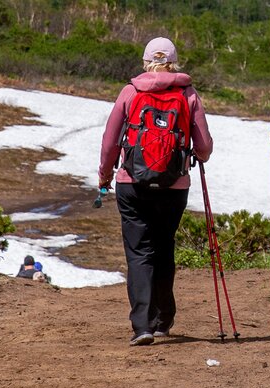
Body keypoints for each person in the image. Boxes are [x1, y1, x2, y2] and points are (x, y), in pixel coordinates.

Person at [99, 37, 213, 346]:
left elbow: (110, 141)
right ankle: (164, 319)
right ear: (175, 62)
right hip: (173, 186)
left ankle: (143, 325)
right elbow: (203, 148)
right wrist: (193, 154)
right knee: (164, 246)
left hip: (131, 183)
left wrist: (105, 175)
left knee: (139, 252)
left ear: (145, 61)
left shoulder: (131, 91)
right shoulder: (188, 94)